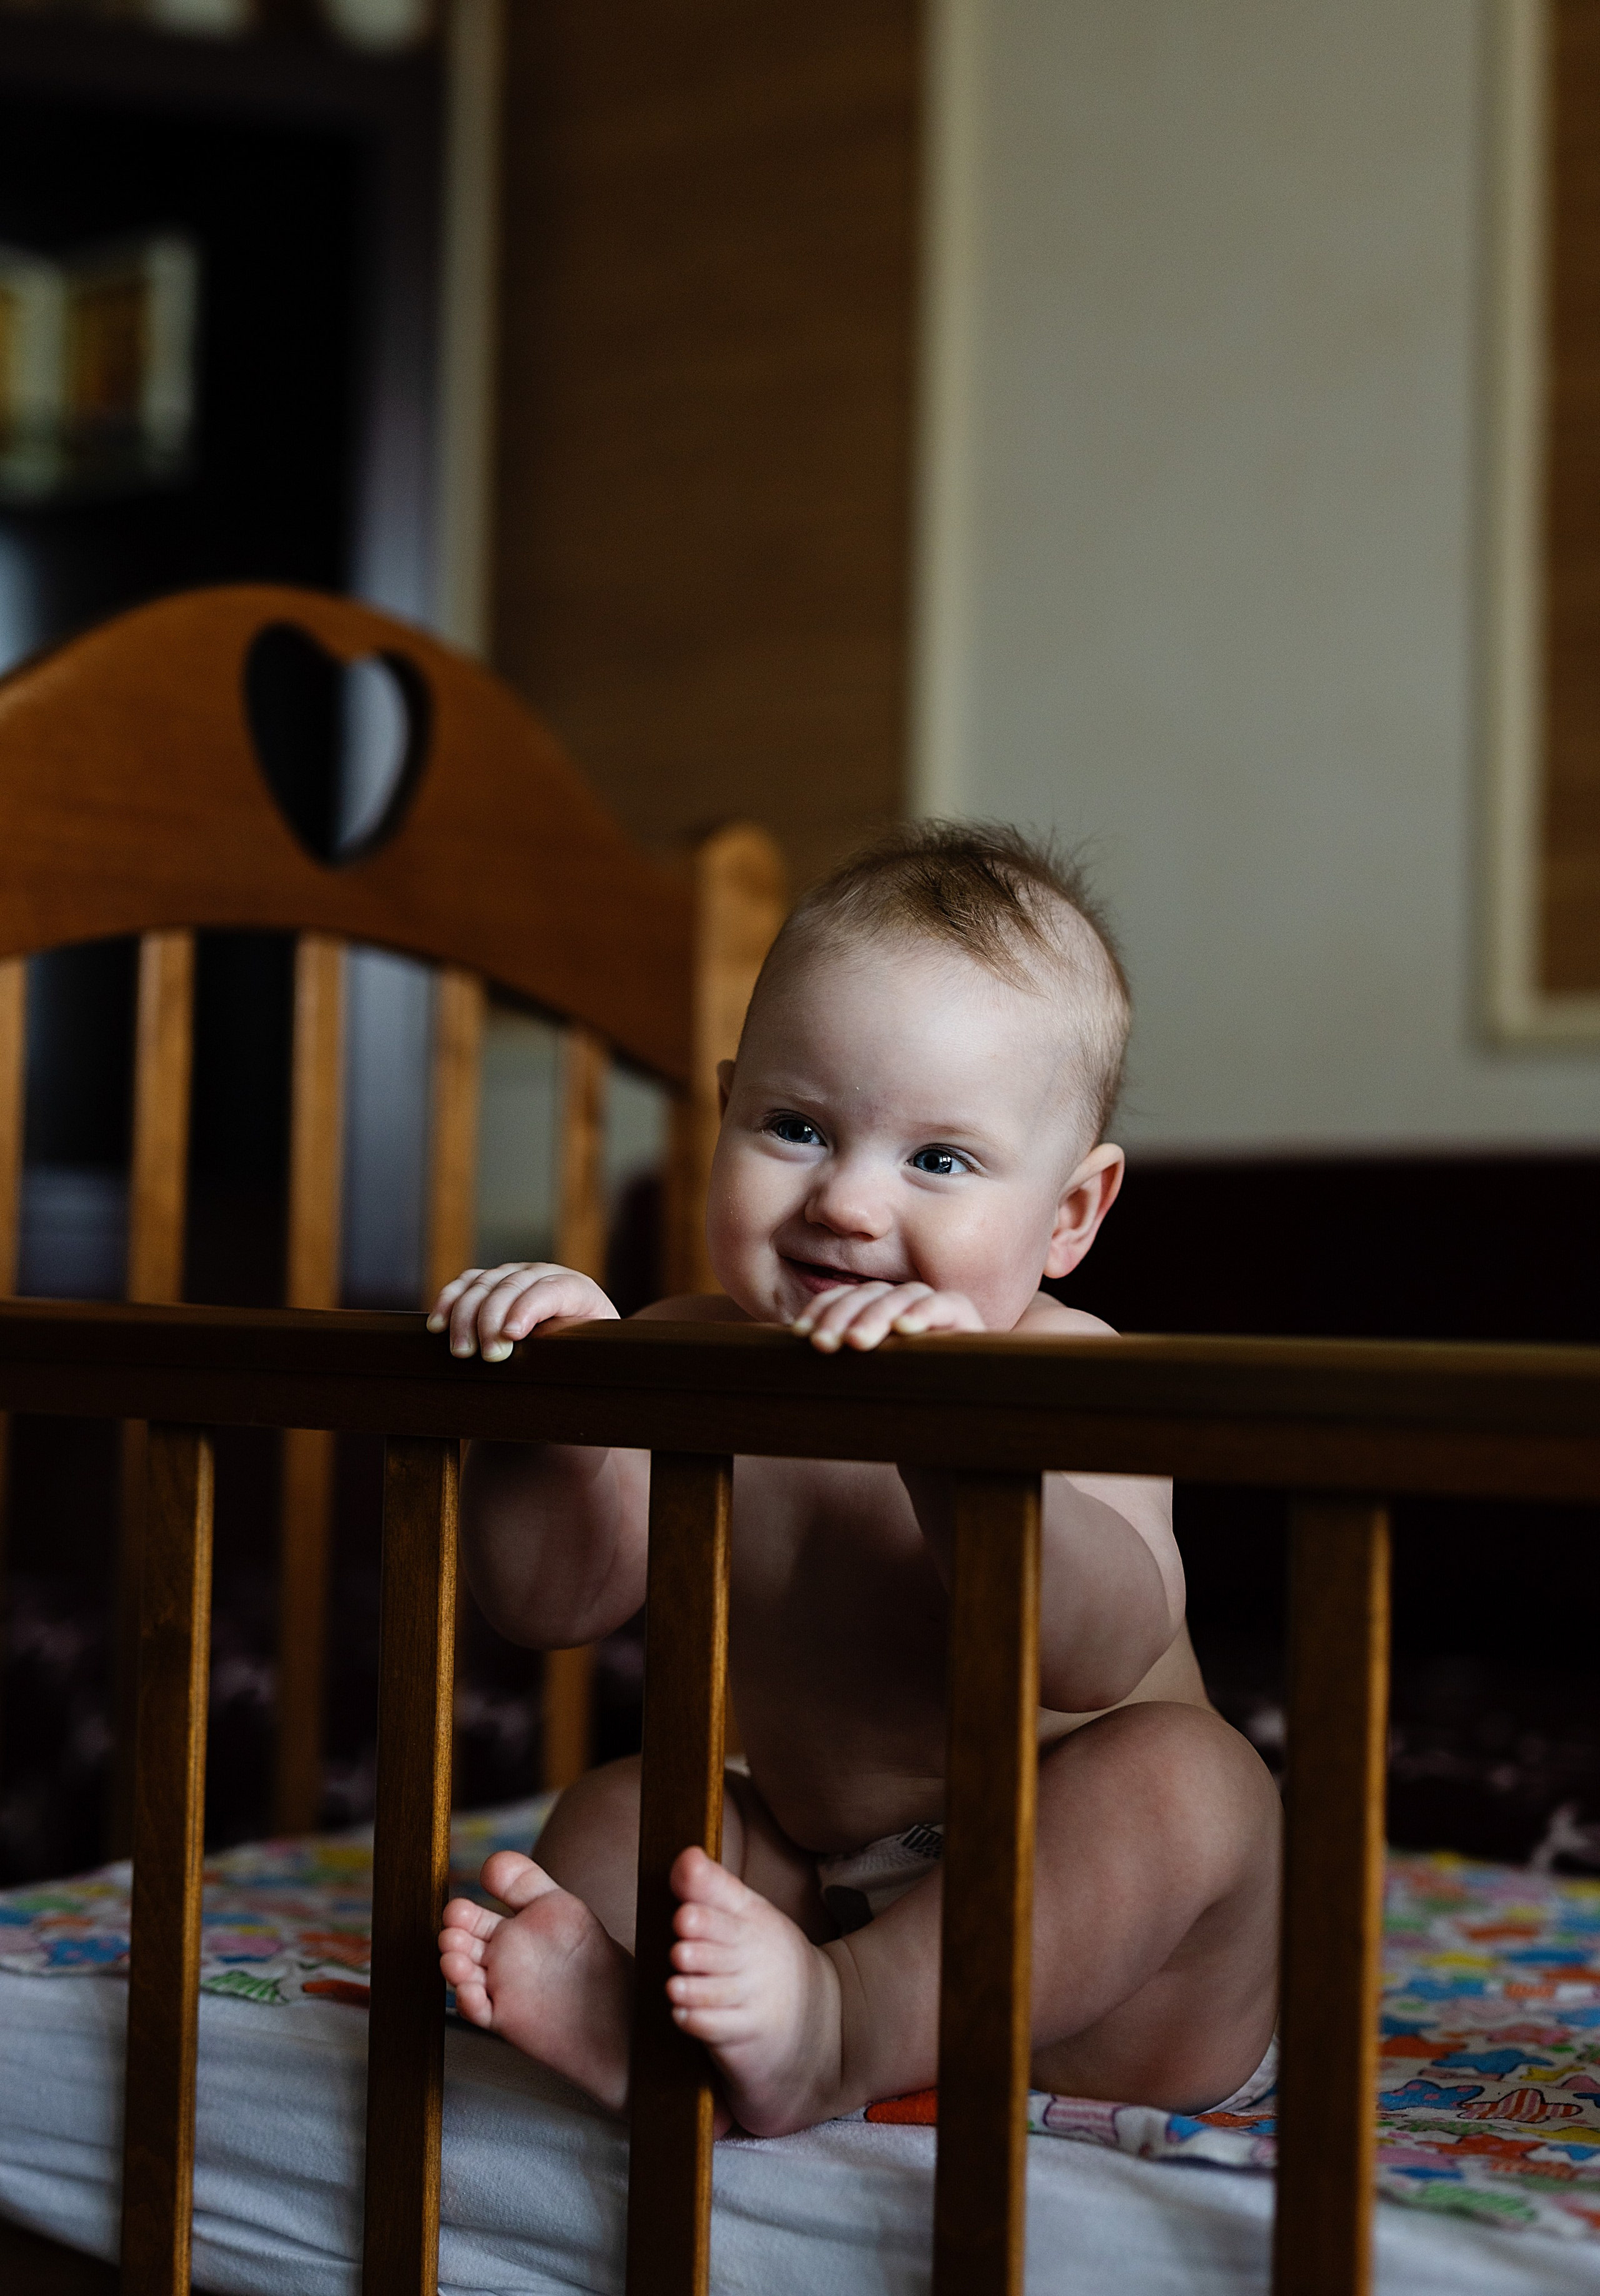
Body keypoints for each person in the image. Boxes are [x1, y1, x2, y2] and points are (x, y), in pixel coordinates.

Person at [433, 822, 1281, 2139]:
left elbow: (1094, 1652)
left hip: (1102, 1983)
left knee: (1190, 1782)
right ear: (724, 1110)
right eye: (794, 1126)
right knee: (620, 1809)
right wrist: (551, 1401)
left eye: (936, 1159)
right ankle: (655, 2040)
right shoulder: (684, 1357)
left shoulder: (1071, 1369)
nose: (844, 1200)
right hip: (826, 1878)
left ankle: (835, 2037)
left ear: (1069, 1215)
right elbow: (546, 1597)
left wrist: (955, 1441)